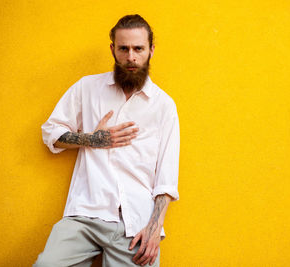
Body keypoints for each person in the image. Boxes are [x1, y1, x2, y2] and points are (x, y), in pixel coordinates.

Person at [34, 14, 180, 267]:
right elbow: (51, 132)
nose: (131, 57)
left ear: (151, 50)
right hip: (85, 213)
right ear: (113, 49)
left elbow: (166, 178)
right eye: (124, 48)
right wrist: (92, 139)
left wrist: (155, 228)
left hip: (135, 224)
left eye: (138, 49)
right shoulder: (87, 88)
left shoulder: (164, 106)